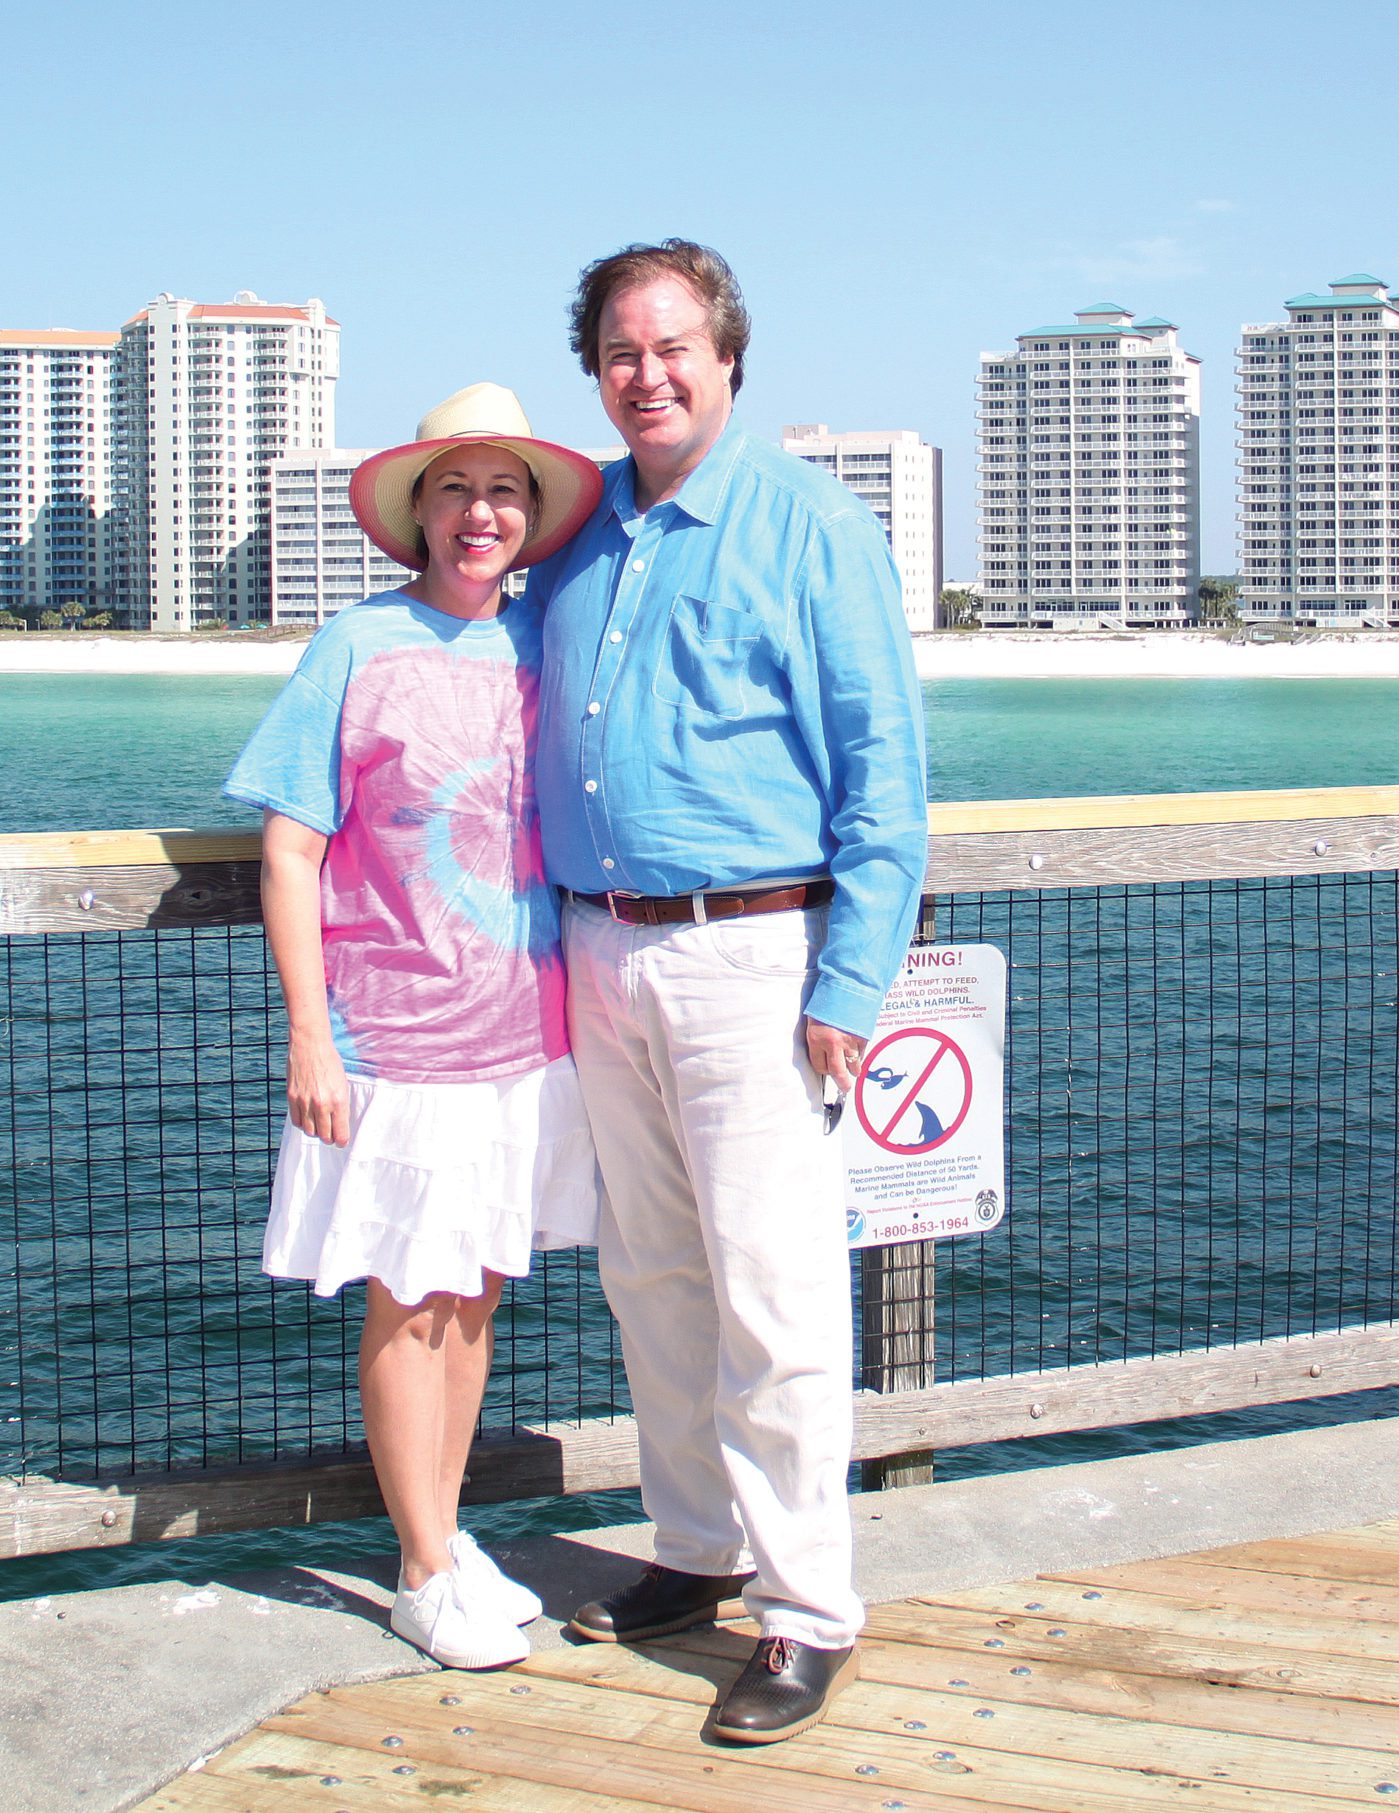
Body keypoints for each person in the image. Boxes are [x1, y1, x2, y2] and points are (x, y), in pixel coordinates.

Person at [530, 240, 929, 1744]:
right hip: (596, 946)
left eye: (675, 345)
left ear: (731, 355)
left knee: (773, 1294)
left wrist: (853, 977)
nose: (650, 373)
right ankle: (691, 1550)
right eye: (623, 351)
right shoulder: (575, 532)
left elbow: (887, 775)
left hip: (755, 955)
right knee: (652, 1277)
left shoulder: (813, 525)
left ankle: (808, 1607)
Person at [225, 384, 605, 1670]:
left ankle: (433, 1542)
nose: (480, 513)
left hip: (521, 1035)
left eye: (504, 491)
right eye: (456, 489)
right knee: (406, 1299)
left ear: (530, 517)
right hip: (390, 1037)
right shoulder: (354, 643)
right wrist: (308, 1037)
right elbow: (288, 845)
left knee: (478, 1289)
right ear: (417, 514)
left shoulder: (545, 642)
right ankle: (429, 1565)